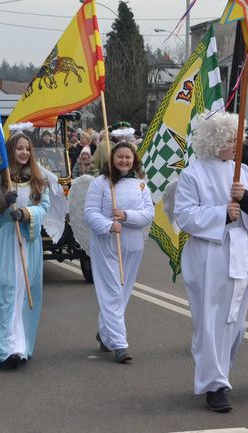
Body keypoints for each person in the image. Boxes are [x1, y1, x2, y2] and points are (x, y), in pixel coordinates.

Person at [174, 111, 248, 412]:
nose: (236, 145)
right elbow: (184, 215)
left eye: (237, 139)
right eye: (230, 139)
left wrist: (246, 201)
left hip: (240, 251)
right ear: (214, 141)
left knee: (236, 322)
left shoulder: (241, 170)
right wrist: (221, 214)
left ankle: (220, 372)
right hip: (209, 253)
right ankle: (213, 384)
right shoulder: (193, 174)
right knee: (211, 320)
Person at [0, 133, 51, 368]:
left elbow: (44, 206)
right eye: (19, 149)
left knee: (21, 295)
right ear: (10, 151)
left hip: (26, 242)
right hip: (2, 242)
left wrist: (26, 214)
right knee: (2, 293)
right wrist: (2, 202)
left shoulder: (39, 177)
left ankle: (17, 347)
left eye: (27, 149)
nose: (24, 153)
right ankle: (0, 347)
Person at [84, 142, 154, 363]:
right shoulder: (100, 183)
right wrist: (107, 225)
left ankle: (106, 332)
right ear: (112, 159)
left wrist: (126, 216)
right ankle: (120, 344)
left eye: (128, 157)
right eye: (120, 157)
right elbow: (90, 212)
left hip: (133, 247)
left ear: (134, 160)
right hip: (107, 245)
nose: (124, 161)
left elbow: (148, 214)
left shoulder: (141, 185)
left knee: (122, 293)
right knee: (112, 293)